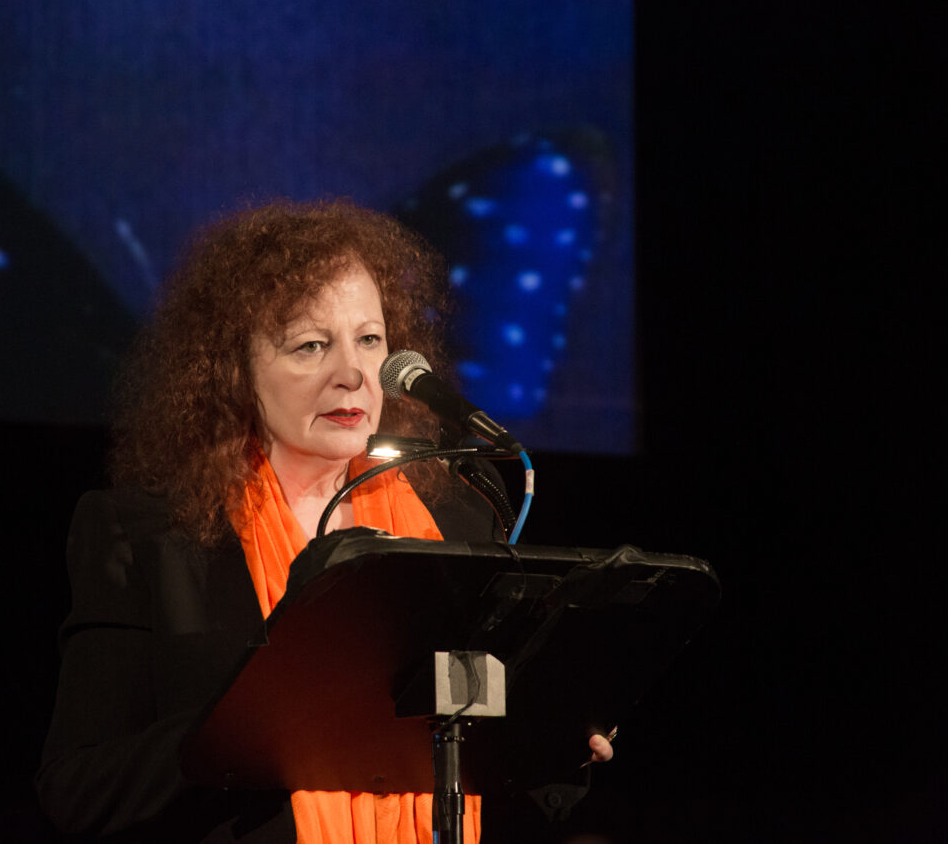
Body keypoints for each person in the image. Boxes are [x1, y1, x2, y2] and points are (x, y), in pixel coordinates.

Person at [35, 198, 612, 842]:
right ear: (234, 371)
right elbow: (79, 788)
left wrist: (561, 739)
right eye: (310, 346)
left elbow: (509, 779)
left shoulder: (457, 513)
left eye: (370, 339)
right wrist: (252, 719)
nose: (352, 375)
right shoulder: (144, 533)